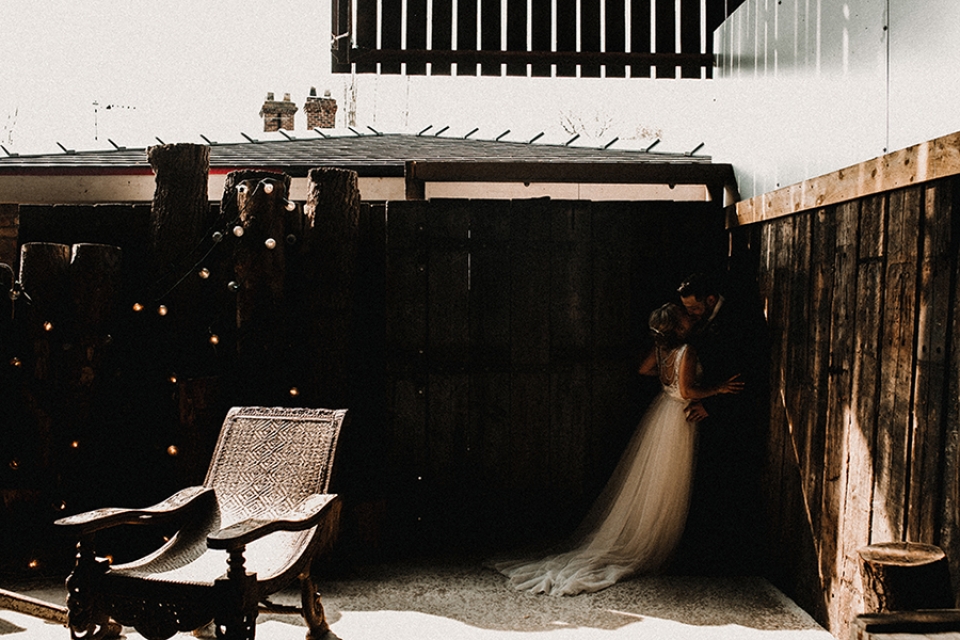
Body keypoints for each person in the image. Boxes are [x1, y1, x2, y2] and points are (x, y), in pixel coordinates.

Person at [493, 303, 743, 595]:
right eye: (684, 316)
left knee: (653, 477)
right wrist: (717, 389)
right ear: (678, 327)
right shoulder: (686, 350)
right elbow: (688, 392)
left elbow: (643, 368)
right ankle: (657, 539)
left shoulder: (662, 349)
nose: (690, 317)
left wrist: (669, 383)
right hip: (677, 415)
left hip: (662, 410)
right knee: (667, 480)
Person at [672, 272, 767, 575]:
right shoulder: (707, 321)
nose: (691, 314)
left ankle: (723, 557)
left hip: (730, 414)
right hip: (710, 406)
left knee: (726, 480)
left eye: (695, 309)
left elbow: (743, 377)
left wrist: (710, 404)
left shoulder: (737, 322)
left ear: (710, 300)